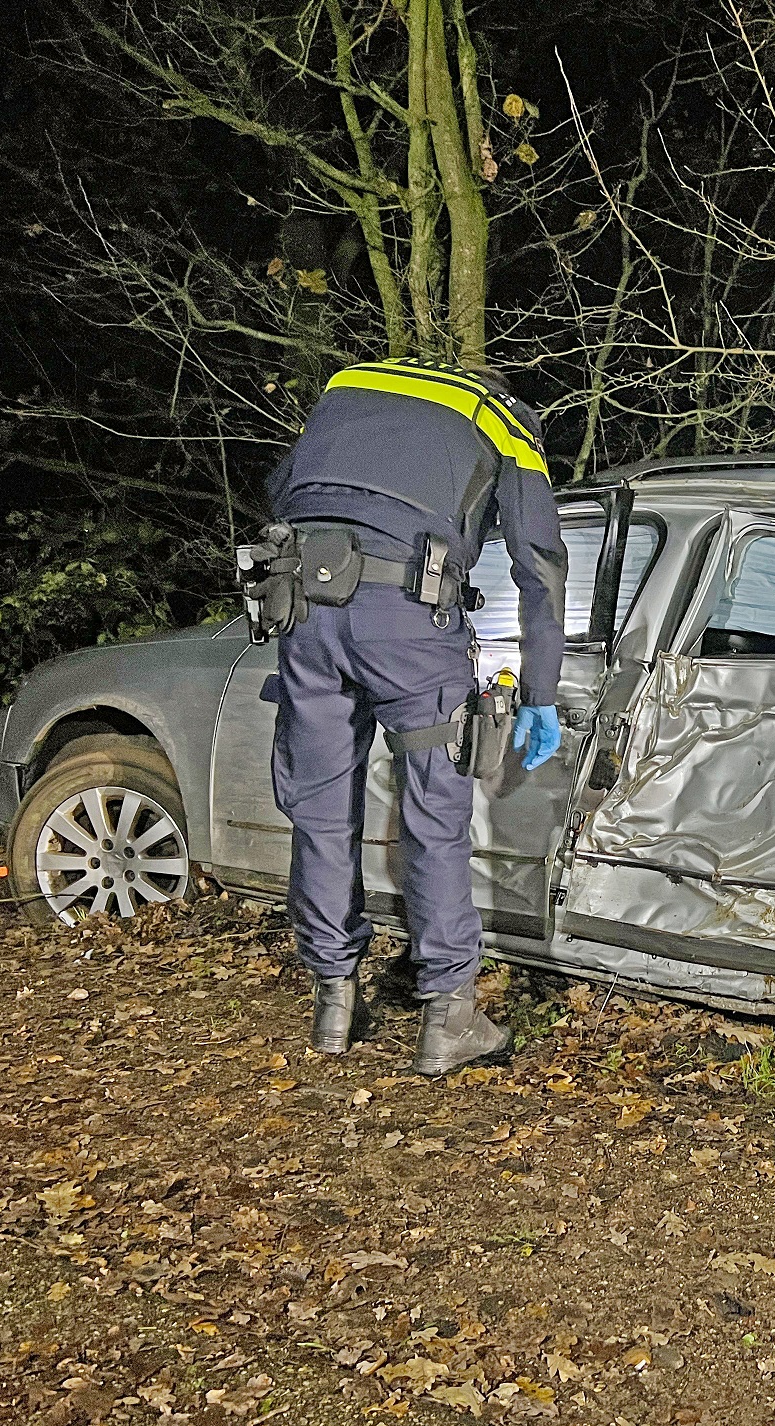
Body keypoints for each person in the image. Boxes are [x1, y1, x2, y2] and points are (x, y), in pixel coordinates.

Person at [265, 357, 567, 1072]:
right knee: (434, 815)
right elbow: (540, 564)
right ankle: (448, 1019)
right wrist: (542, 691)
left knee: (320, 812)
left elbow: (285, 490)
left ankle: (334, 1003)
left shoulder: (348, 385)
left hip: (303, 607)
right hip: (407, 622)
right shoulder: (503, 419)